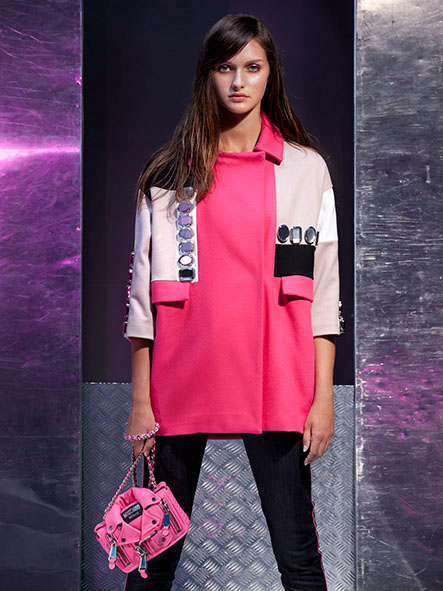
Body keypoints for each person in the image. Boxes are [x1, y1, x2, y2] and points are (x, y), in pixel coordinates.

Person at [122, 13, 344, 591]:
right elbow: (143, 298)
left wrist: (322, 399)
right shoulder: (168, 176)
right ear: (208, 75)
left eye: (252, 67)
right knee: (152, 561)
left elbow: (322, 293)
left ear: (271, 74)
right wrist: (141, 401)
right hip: (180, 383)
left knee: (299, 560)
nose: (239, 82)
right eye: (226, 68)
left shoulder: (305, 171)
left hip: (278, 383)